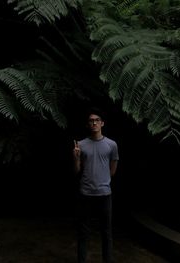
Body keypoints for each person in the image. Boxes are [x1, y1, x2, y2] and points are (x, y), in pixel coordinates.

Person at [73, 107, 119, 263]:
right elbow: (77, 170)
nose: (94, 123)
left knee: (106, 232)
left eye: (97, 120)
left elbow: (112, 170)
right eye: (91, 120)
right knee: (83, 233)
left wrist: (103, 181)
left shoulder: (112, 144)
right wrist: (76, 158)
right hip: (85, 194)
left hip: (105, 194)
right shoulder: (81, 144)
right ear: (88, 124)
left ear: (102, 123)